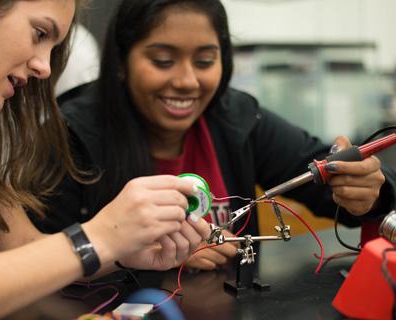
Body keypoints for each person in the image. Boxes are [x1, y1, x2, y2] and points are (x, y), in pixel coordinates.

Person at [34, 0, 396, 271]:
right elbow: (39, 263)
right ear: (122, 61)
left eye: (205, 61)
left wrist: (371, 194)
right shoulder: (71, 134)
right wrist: (140, 260)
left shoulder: (238, 117)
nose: (187, 81)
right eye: (162, 60)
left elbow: (334, 189)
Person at [0, 1, 210, 318]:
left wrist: (125, 247)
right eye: (39, 33)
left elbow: (27, 249)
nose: (44, 67)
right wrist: (99, 238)